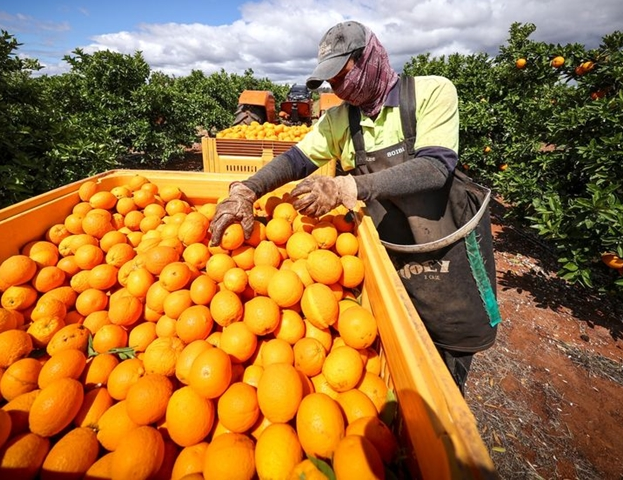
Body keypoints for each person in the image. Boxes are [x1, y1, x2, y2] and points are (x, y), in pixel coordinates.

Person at [209, 21, 500, 394]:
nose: (338, 88)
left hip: (448, 252)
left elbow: (435, 167)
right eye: (331, 82)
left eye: (342, 76)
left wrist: (349, 185)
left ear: (369, 59)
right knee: (398, 353)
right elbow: (297, 160)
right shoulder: (340, 119)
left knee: (445, 361)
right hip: (391, 258)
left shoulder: (431, 92)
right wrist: (247, 190)